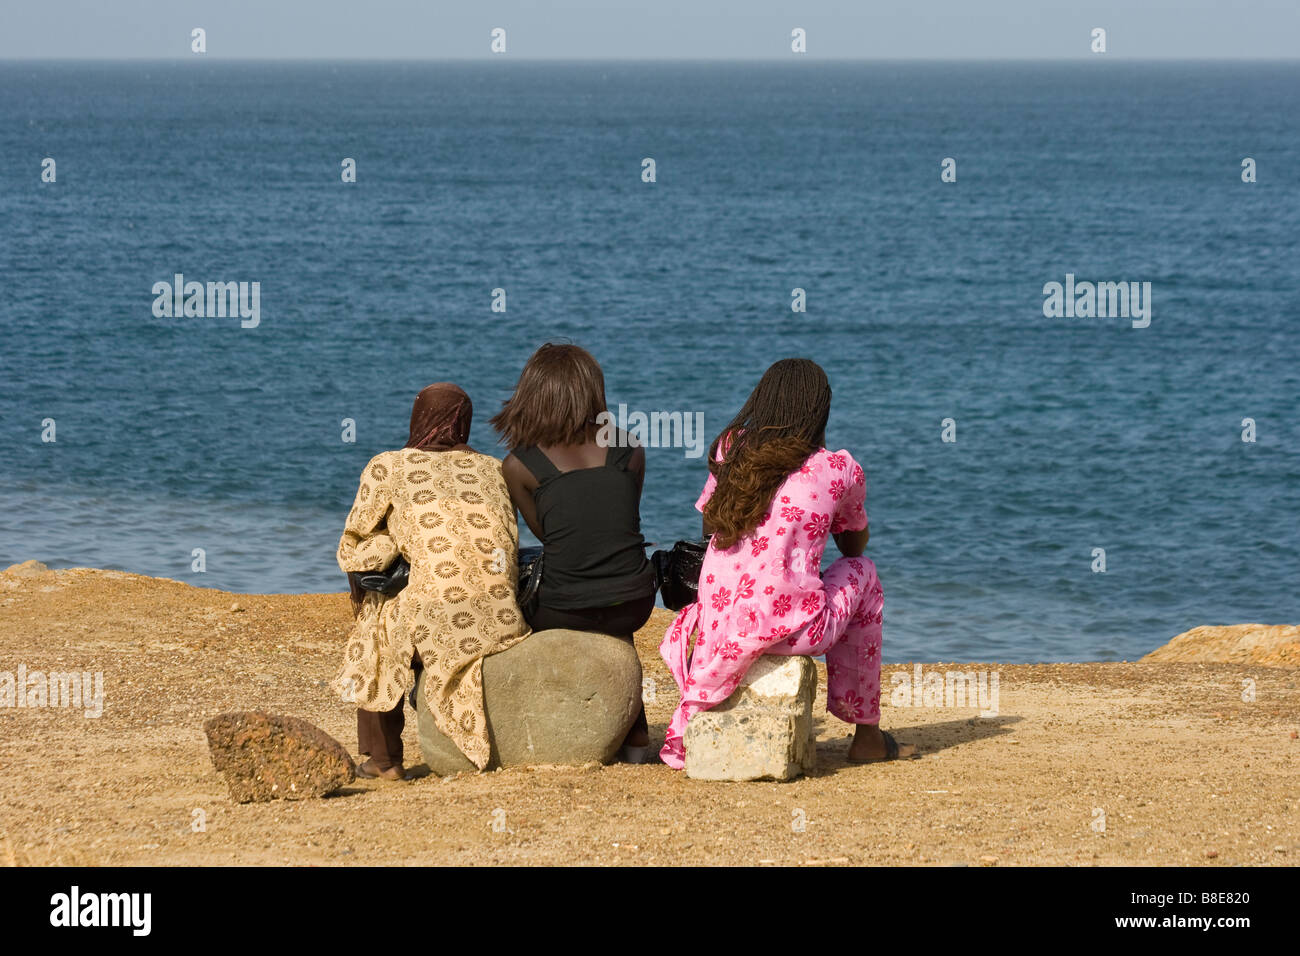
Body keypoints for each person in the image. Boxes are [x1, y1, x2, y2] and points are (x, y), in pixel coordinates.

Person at [659, 358, 917, 768]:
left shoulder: (731, 448)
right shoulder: (837, 469)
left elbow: (709, 524)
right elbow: (853, 547)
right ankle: (867, 734)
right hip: (794, 632)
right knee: (864, 574)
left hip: (722, 625)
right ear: (820, 412)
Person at [333, 383, 529, 779]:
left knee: (379, 617)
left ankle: (384, 760)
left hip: (436, 614)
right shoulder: (495, 468)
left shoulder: (387, 465)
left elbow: (352, 548)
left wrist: (390, 543)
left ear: (417, 418)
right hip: (504, 615)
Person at [491, 344, 658, 760]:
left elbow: (551, 535)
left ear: (533, 393)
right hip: (634, 602)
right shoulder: (629, 449)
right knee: (614, 585)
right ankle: (635, 734)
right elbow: (615, 529)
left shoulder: (518, 465)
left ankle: (554, 719)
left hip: (561, 609)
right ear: (592, 392)